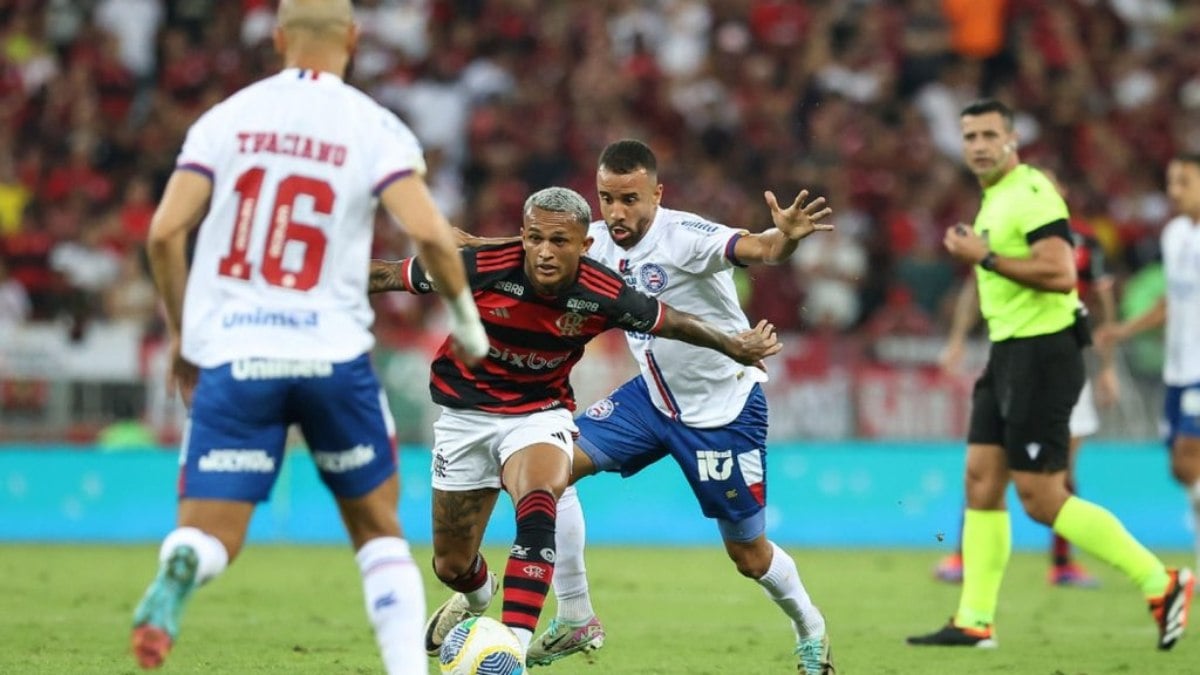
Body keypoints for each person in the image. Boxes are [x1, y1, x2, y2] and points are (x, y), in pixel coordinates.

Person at [130, 2, 489, 673]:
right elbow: (433, 234)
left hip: (237, 352)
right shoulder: (374, 125)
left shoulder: (225, 119)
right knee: (379, 532)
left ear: (276, 39)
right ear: (353, 38)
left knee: (211, 529)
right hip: (333, 355)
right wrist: (467, 324)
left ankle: (185, 559)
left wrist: (185, 335)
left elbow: (163, 233)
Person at [454, 139, 838, 674]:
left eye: (630, 199)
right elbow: (551, 244)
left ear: (657, 193)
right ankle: (575, 614)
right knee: (549, 467)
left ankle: (810, 628)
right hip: (651, 400)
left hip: (721, 412)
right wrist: (477, 244)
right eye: (608, 198)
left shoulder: (685, 236)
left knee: (749, 556)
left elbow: (759, 248)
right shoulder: (601, 243)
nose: (617, 212)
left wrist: (786, 240)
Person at [366, 185, 782, 662]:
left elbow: (673, 322)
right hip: (464, 419)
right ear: (522, 237)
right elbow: (386, 277)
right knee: (453, 564)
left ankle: (511, 652)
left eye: (560, 242)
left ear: (584, 247)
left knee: (543, 495)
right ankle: (478, 597)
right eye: (535, 238)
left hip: (538, 414)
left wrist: (734, 345)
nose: (545, 252)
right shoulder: (475, 268)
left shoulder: (601, 292)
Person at [906, 98, 1193, 651]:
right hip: (1009, 353)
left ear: (1012, 139)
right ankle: (974, 619)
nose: (980, 145)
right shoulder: (994, 200)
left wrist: (984, 257)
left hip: (1044, 354)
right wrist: (981, 259)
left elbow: (1062, 274)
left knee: (1041, 497)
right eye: (970, 137)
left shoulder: (1031, 191)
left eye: (991, 134)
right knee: (981, 482)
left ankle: (1161, 581)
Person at [933, 165, 1121, 588]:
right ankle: (964, 560)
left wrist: (1108, 366)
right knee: (985, 467)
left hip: (1059, 359)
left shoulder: (1085, 240)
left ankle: (1063, 563)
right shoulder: (1002, 235)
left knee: (1058, 473)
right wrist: (958, 338)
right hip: (1012, 356)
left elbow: (1105, 303)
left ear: (1062, 193)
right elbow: (974, 288)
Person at [1098, 153, 1200, 578]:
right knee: (1181, 468)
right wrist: (1124, 330)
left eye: (1184, 181)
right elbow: (1170, 303)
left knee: (1187, 456)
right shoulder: (1175, 234)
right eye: (1171, 181)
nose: (1174, 190)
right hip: (1177, 369)